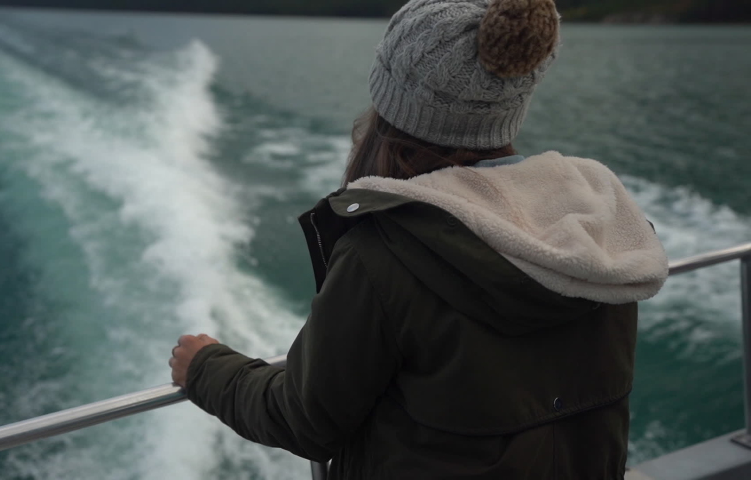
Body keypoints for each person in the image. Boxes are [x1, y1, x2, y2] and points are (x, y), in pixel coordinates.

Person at [169, 0, 670, 478]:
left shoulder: (384, 253)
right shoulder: (603, 231)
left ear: (393, 103)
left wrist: (207, 368)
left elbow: (307, 419)